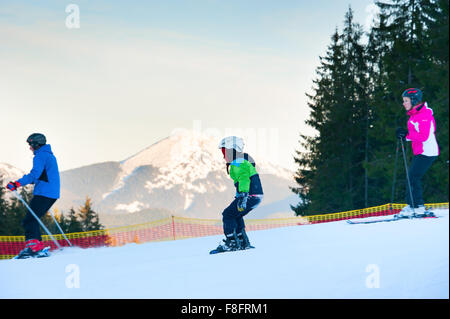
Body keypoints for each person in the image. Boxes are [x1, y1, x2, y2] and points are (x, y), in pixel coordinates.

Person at [6, 133, 61, 258]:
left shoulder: (40, 156)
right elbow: (41, 176)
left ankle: (33, 248)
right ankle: (36, 247)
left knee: (29, 220)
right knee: (33, 219)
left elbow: (35, 174)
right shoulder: (49, 155)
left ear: (37, 144)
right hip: (51, 192)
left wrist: (16, 183)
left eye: (31, 144)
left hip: (44, 193)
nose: (30, 147)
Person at [211, 136, 264, 253]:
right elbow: (241, 180)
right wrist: (239, 195)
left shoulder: (238, 162)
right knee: (236, 215)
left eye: (225, 151)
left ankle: (232, 243)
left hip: (250, 195)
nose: (223, 155)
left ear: (232, 150)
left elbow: (244, 178)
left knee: (228, 214)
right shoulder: (242, 161)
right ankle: (242, 241)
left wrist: (244, 195)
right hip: (256, 196)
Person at [396, 88, 439, 217]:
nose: (403, 103)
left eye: (406, 101)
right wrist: (404, 134)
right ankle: (413, 205)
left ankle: (417, 206)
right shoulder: (415, 114)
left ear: (413, 101)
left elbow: (424, 136)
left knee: (413, 177)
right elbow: (416, 132)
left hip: (427, 151)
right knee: (412, 177)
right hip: (421, 151)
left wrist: (407, 136)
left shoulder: (424, 115)